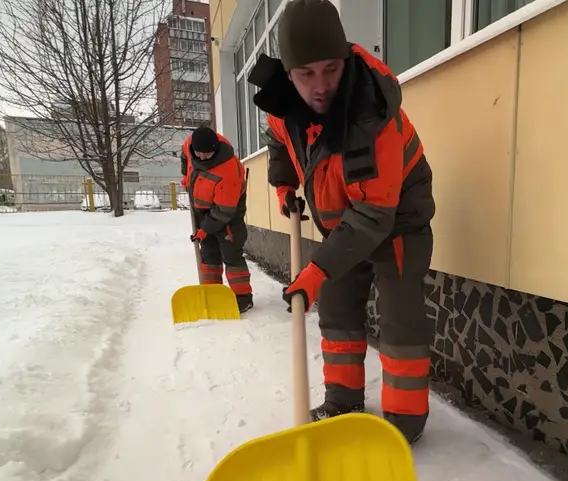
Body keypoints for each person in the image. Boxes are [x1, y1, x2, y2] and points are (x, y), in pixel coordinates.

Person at [247, 0, 436, 443]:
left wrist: (315, 269)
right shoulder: (283, 103)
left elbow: (373, 213)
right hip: (343, 226)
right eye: (306, 73)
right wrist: (283, 185)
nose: (320, 85)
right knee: (336, 308)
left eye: (330, 69)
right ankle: (343, 400)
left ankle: (405, 422)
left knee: (399, 319)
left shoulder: (372, 114)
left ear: (346, 59)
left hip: (397, 223)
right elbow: (280, 140)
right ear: (289, 72)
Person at [180, 125, 253, 313]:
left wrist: (204, 230)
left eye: (207, 153)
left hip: (228, 213)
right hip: (203, 211)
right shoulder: (190, 145)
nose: (202, 157)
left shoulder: (228, 170)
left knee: (231, 253)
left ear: (215, 148)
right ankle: (212, 292)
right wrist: (184, 176)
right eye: (198, 153)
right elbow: (184, 154)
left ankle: (243, 298)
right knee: (209, 253)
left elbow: (223, 212)